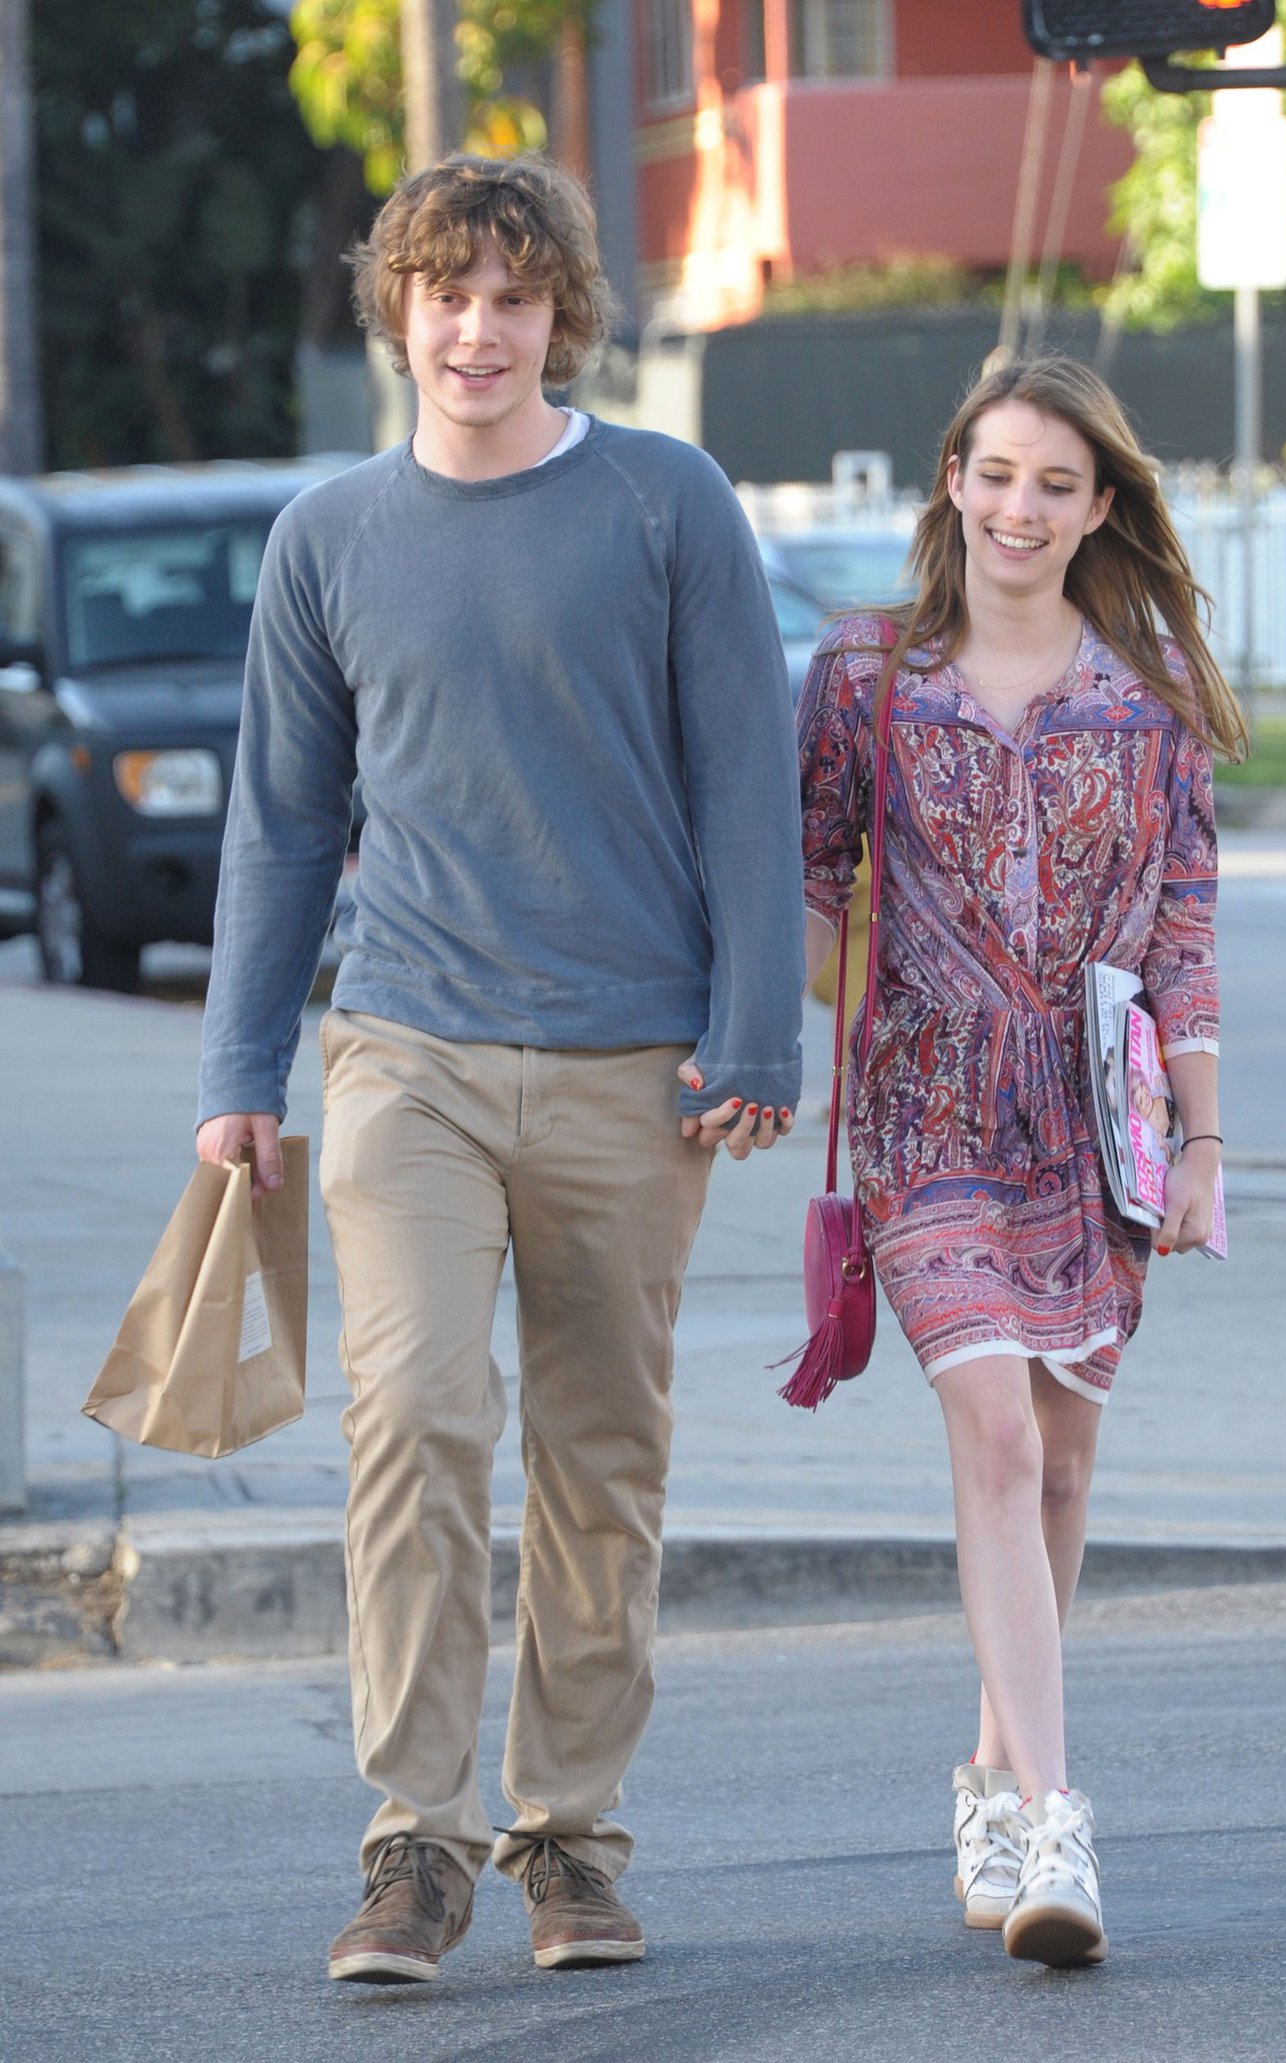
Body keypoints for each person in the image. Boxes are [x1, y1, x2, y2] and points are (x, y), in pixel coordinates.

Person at [196, 152, 804, 1985]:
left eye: (513, 295)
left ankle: (567, 1838)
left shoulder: (666, 502)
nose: (478, 326)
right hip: (409, 1055)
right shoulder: (327, 539)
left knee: (602, 1457)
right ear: (398, 307)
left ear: (563, 316)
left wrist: (756, 1027)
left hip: (636, 1062)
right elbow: (282, 826)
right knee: (418, 1421)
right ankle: (415, 1840)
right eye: (445, 291)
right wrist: (242, 1062)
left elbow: (744, 785)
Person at [796, 356, 1244, 1969]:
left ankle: (992, 1767)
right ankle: (1057, 1826)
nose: (1020, 508)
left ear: (1100, 506)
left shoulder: (1153, 692)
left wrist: (1199, 1143)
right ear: (950, 483)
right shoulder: (865, 674)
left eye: (1057, 484)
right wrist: (794, 1033)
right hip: (925, 1117)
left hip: (1097, 1123)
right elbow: (808, 880)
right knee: (990, 1426)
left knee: (1057, 1464)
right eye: (996, 475)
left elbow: (1183, 934)